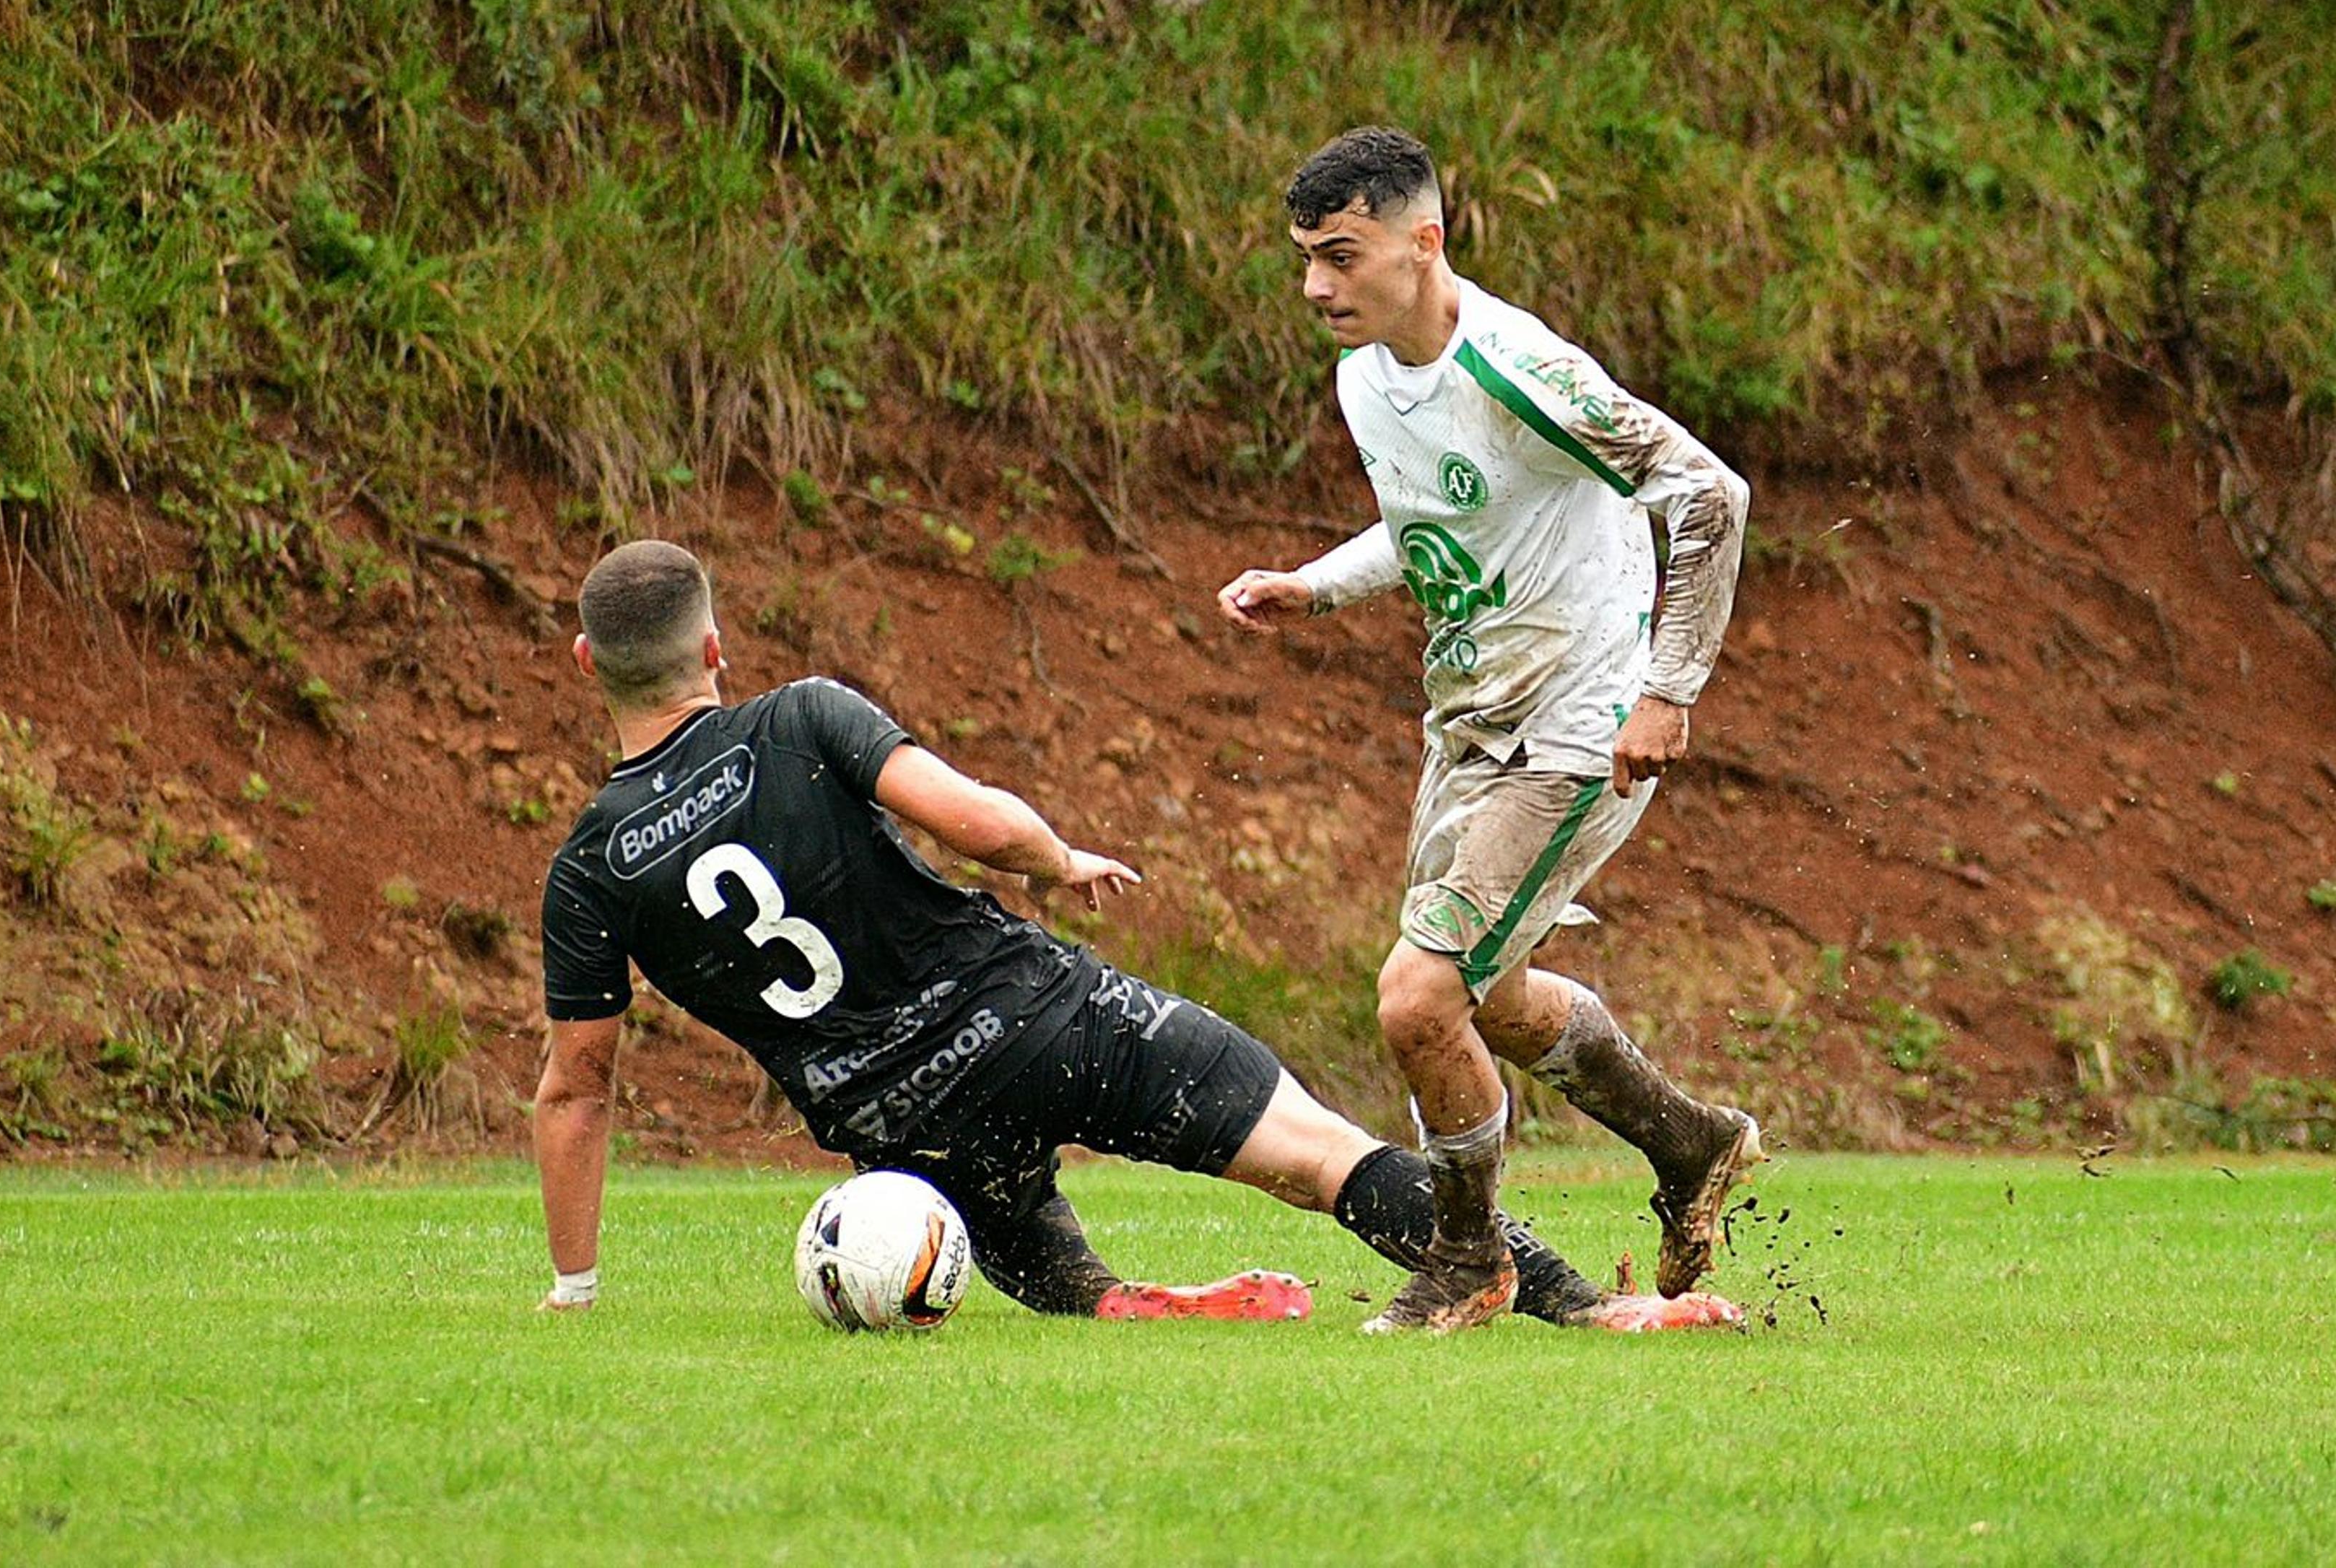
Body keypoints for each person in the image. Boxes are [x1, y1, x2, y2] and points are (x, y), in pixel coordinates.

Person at [534, 539, 1736, 1333]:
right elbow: (967, 820)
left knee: (1052, 1270)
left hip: (896, 1127)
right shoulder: (797, 715)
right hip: (1032, 1012)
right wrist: (1057, 858)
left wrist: (574, 1287)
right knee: (1322, 1156)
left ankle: (1121, 1303)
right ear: (711, 646)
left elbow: (577, 1086)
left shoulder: (589, 865)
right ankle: (1593, 1312)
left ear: (589, 663)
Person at [1218, 126, 1765, 1335]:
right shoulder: (1366, 373)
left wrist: (1667, 691)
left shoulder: (1522, 369)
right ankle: (1693, 1141)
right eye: (1306, 257)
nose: (1315, 285)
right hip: (1468, 722)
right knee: (1492, 996)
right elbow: (1431, 525)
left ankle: (1469, 1257)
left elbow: (1708, 494)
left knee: (1418, 1000)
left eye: (1341, 256)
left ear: (1427, 243)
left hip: (1578, 725)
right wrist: (1315, 583)